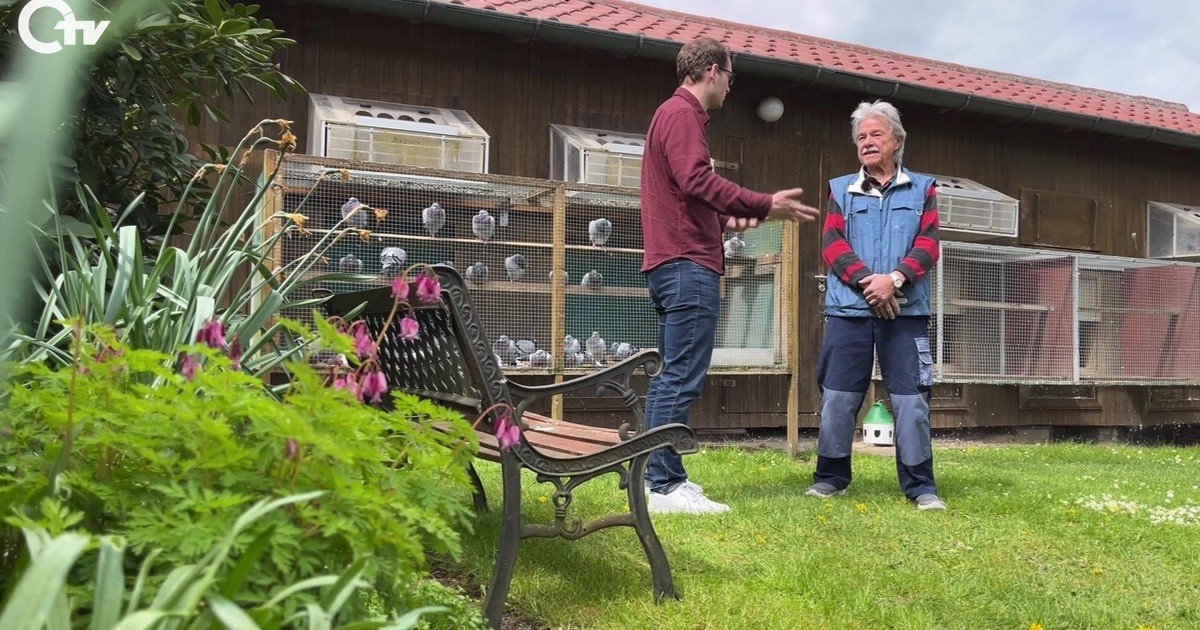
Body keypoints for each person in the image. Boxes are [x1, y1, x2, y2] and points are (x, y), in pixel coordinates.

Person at [640, 36, 821, 515]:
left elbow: (688, 197)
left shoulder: (673, 116)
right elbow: (696, 181)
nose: (730, 89)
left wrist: (726, 218)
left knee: (670, 376)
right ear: (713, 72)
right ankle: (662, 486)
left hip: (672, 261)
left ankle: (658, 477)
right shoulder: (681, 115)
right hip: (687, 265)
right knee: (681, 377)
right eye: (731, 77)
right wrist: (766, 203)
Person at [807, 100, 947, 510]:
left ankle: (921, 487)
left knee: (910, 399)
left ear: (897, 141)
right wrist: (871, 284)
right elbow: (832, 245)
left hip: (905, 309)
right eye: (861, 137)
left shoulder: (923, 188)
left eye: (876, 135)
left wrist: (895, 280)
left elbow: (929, 243)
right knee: (838, 396)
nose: (867, 143)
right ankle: (830, 477)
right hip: (849, 307)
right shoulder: (841, 189)